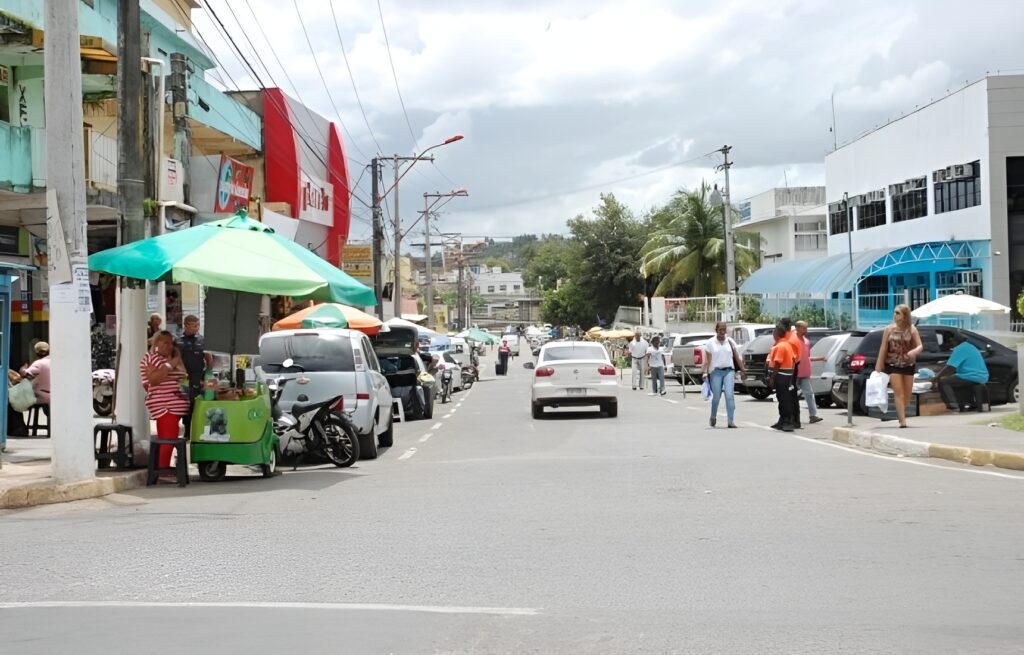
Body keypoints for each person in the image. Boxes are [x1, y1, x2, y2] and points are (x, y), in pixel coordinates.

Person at [140, 331, 190, 471]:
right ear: (156, 343)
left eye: (171, 343)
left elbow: (183, 374)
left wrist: (176, 358)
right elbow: (155, 379)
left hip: (174, 405)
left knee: (169, 437)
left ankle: (163, 467)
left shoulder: (168, 358)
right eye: (165, 343)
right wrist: (172, 363)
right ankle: (162, 469)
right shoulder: (152, 358)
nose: (169, 346)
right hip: (165, 405)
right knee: (168, 439)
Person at [875, 304, 923, 428]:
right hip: (892, 364)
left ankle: (901, 410)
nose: (895, 315)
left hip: (908, 364)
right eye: (894, 312)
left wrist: (914, 352)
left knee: (907, 395)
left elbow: (920, 346)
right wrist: (879, 364)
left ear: (904, 315)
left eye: (898, 313)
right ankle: (902, 420)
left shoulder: (912, 329)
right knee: (898, 392)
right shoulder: (888, 329)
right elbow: (883, 347)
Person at [701, 321, 747, 428]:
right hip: (716, 372)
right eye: (720, 330)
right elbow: (707, 360)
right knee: (716, 396)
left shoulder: (730, 341)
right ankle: (713, 416)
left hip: (729, 371)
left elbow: (736, 357)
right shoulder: (710, 343)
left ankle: (730, 421)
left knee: (729, 395)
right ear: (716, 330)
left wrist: (743, 369)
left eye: (724, 330)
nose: (722, 332)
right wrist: (704, 372)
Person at [175, 315, 213, 438]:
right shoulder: (178, 341)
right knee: (183, 404)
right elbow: (175, 358)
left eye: (198, 325)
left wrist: (208, 373)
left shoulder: (202, 340)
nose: (197, 328)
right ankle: (185, 429)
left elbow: (208, 358)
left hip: (197, 376)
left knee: (195, 403)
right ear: (186, 325)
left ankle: (193, 430)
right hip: (182, 377)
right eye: (194, 325)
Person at [931, 333, 989, 411]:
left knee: (944, 381)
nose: (949, 343)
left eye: (950, 341)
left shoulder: (960, 349)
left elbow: (950, 367)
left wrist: (937, 377)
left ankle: (952, 405)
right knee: (955, 380)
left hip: (972, 376)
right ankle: (967, 403)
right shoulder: (969, 346)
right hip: (982, 376)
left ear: (954, 341)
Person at [795, 321, 825, 424]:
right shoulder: (793, 341)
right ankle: (793, 416)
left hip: (805, 372)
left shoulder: (806, 341)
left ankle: (813, 415)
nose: (806, 330)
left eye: (806, 328)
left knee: (809, 394)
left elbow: (807, 357)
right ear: (797, 328)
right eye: (804, 328)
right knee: (793, 395)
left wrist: (820, 358)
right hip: (795, 372)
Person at [767, 325, 797, 432]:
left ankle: (788, 421)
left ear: (778, 333)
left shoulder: (781, 346)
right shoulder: (786, 344)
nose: (773, 334)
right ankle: (782, 419)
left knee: (784, 399)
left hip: (781, 375)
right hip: (786, 375)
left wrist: (772, 378)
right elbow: (794, 360)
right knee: (781, 398)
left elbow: (778, 363)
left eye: (774, 332)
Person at [778, 318, 803, 428]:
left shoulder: (790, 339)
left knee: (789, 395)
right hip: (789, 368)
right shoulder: (790, 336)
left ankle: (792, 420)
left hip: (790, 369)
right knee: (788, 395)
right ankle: (785, 419)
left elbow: (792, 358)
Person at [20, 341, 51, 414]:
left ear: (36, 352)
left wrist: (22, 369)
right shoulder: (54, 362)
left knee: (14, 399)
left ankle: (18, 424)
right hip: (53, 395)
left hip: (41, 397)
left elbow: (25, 374)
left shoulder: (38, 363)